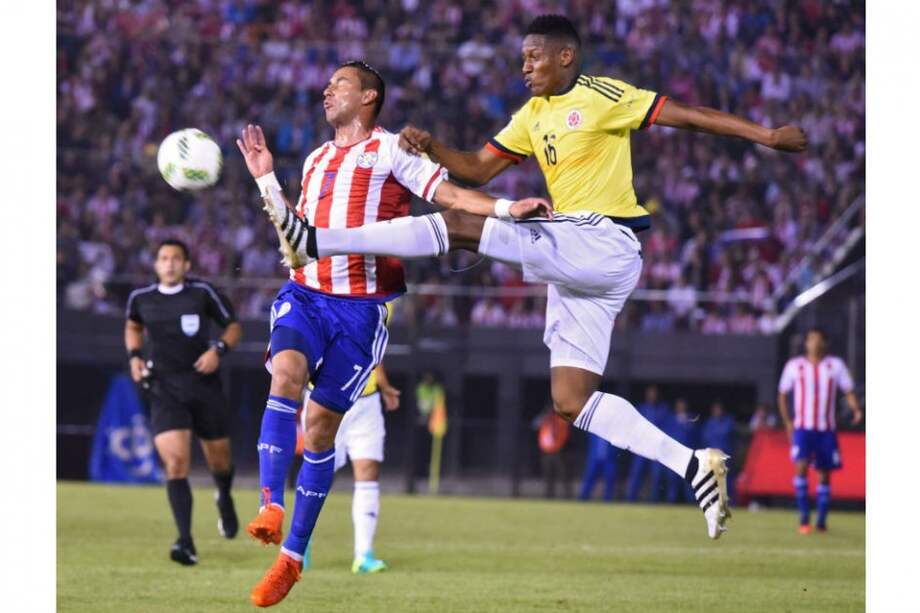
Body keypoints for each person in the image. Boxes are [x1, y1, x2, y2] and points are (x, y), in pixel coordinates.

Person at [259, 14, 809, 543]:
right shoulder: (531, 114)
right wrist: (431, 148)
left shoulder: (602, 95)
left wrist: (765, 134)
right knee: (571, 400)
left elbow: (687, 114)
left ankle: (315, 241)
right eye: (522, 58)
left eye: (533, 57)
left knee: (458, 225)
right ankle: (693, 465)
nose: (524, 67)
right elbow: (475, 169)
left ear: (564, 56)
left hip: (601, 239)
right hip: (577, 270)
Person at [236, 61, 548, 607]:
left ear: (369, 97)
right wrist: (267, 179)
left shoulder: (391, 151)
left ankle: (292, 557)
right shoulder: (314, 160)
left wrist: (505, 208)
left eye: (340, 84)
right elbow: (296, 235)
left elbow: (448, 196)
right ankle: (270, 505)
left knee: (321, 431)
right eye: (328, 83)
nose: (327, 89)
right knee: (284, 376)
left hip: (362, 311)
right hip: (305, 295)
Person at [124, 239, 242, 565]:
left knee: (220, 462)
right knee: (176, 464)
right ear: (157, 264)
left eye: (176, 258)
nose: (170, 263)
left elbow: (233, 327)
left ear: (187, 265)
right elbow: (133, 326)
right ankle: (185, 542)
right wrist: (134, 356)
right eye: (164, 258)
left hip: (204, 386)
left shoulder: (202, 292)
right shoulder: (141, 298)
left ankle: (224, 495)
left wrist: (218, 350)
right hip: (164, 389)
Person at [302, 358, 400, 574]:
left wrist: (382, 383)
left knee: (368, 472)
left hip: (366, 401)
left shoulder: (378, 321)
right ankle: (300, 544)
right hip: (325, 398)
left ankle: (363, 555)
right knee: (318, 473)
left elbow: (376, 344)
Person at [777, 327, 862, 534]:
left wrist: (856, 408)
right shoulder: (794, 366)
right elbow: (782, 394)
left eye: (818, 340)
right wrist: (788, 421)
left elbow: (848, 390)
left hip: (826, 429)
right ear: (805, 343)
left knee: (825, 474)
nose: (814, 343)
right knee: (801, 467)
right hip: (803, 428)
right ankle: (804, 518)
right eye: (811, 340)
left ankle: (822, 520)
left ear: (825, 343)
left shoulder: (836, 366)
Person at [625, 385, 670, 502]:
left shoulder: (663, 409)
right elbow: (633, 426)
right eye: (650, 393)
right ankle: (630, 500)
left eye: (654, 393)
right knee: (636, 473)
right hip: (641, 447)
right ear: (646, 395)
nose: (652, 396)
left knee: (656, 475)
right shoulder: (641, 408)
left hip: (656, 447)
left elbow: (666, 429)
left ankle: (654, 501)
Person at [701, 401, 736, 499]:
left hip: (724, 456)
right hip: (712, 457)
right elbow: (705, 439)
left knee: (726, 480)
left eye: (719, 410)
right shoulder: (709, 423)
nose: (717, 412)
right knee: (711, 480)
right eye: (715, 410)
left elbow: (728, 435)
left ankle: (730, 502)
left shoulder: (728, 422)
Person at [536, 404, 572, 499]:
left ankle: (567, 496)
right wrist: (544, 417)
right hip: (546, 452)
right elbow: (535, 424)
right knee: (547, 475)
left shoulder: (560, 420)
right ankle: (548, 496)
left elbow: (565, 430)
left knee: (563, 475)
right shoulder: (545, 421)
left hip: (558, 452)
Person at [578, 432, 619, 502]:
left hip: (609, 459)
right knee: (588, 479)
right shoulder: (595, 429)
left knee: (610, 480)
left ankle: (608, 501)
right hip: (594, 458)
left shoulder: (613, 431)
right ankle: (582, 499)